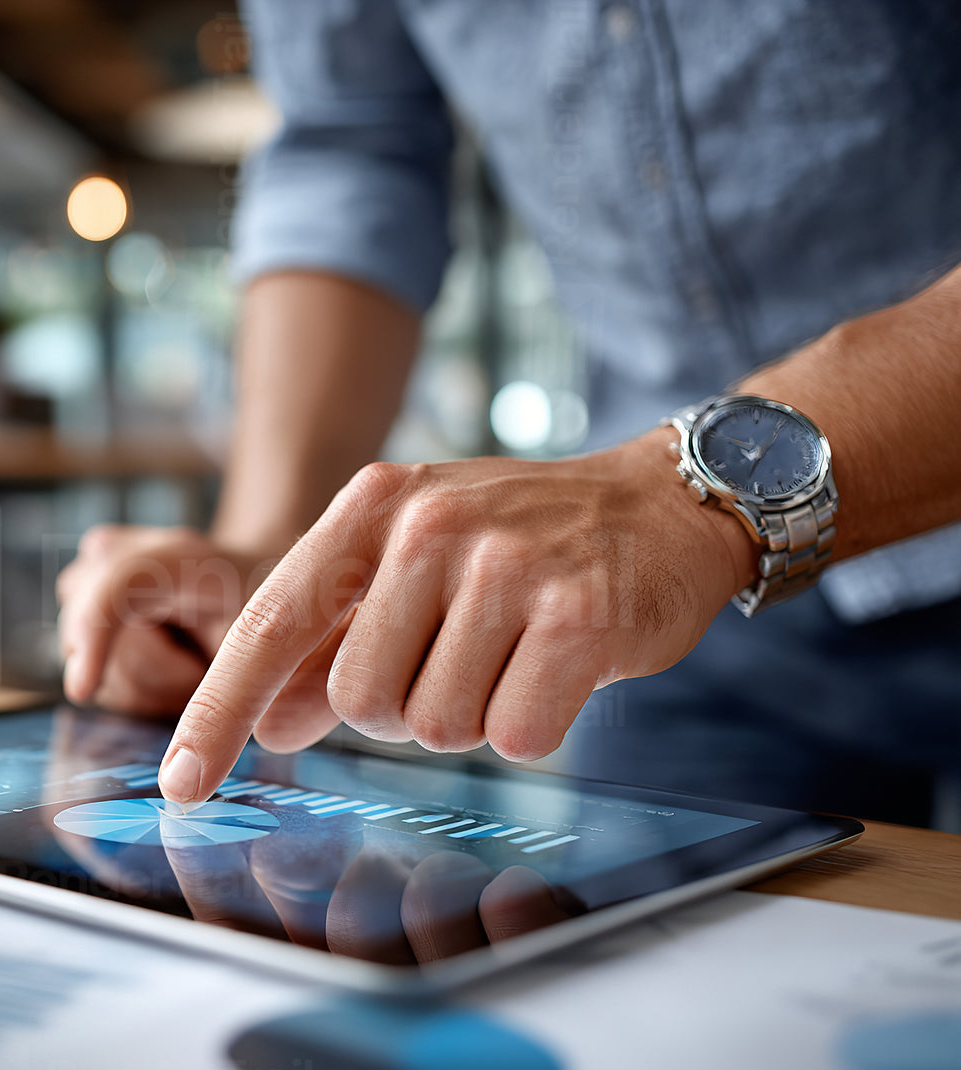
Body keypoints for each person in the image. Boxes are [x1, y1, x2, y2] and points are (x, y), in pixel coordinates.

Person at [56, 1, 961, 827]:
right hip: (675, 631)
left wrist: (682, 490)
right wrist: (268, 544)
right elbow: (350, 151)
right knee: (646, 991)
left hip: (683, 536)